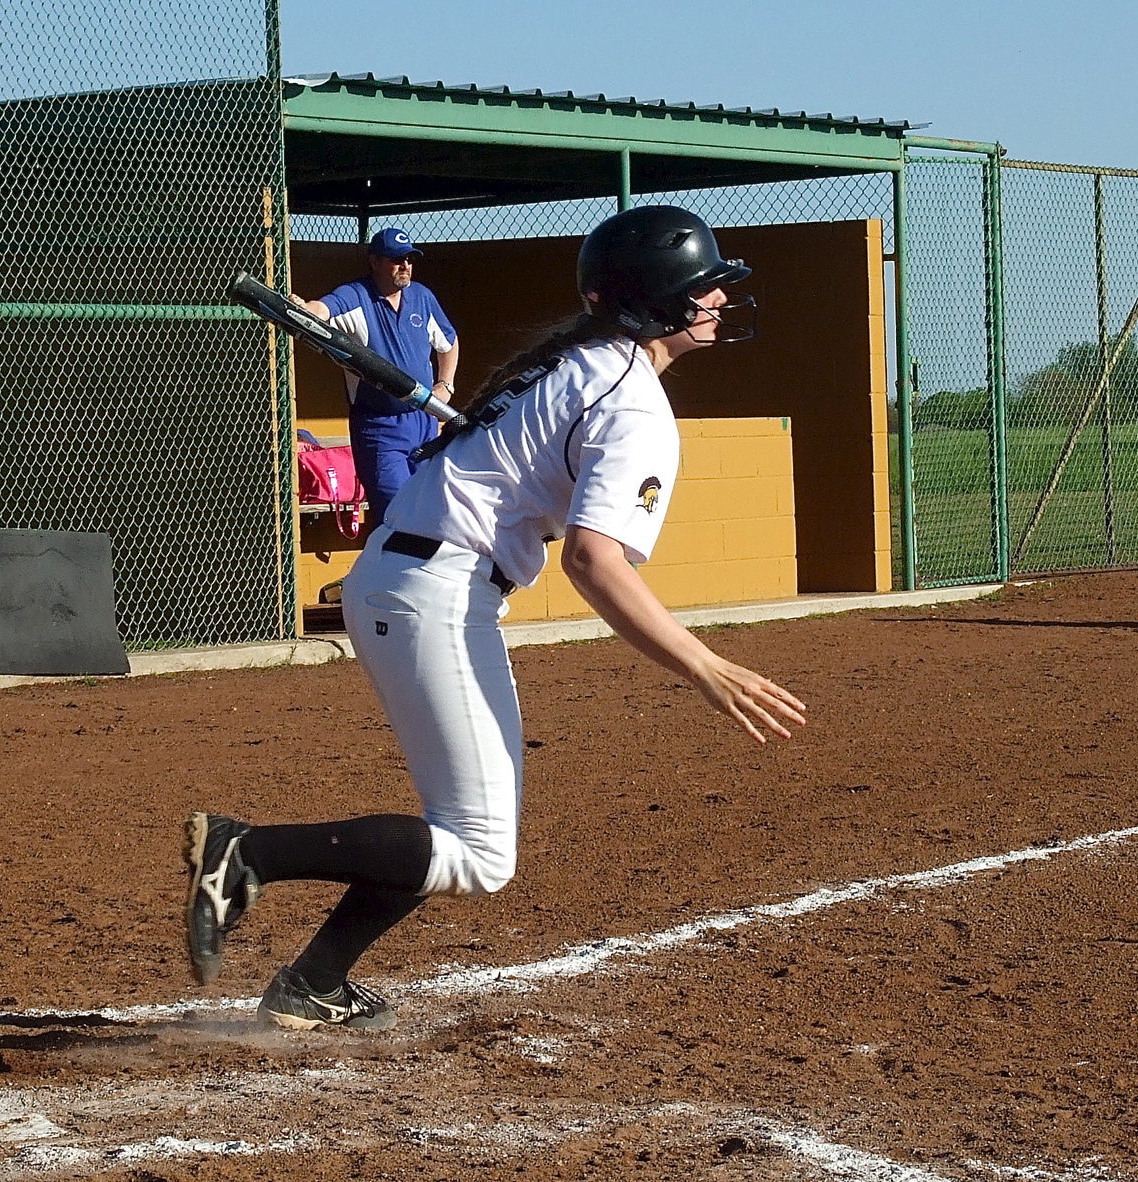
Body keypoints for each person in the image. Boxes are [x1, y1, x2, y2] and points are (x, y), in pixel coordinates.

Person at [183, 206, 807, 1032]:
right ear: (659, 305)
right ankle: (247, 852)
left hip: (414, 579)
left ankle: (313, 983)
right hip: (432, 590)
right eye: (704, 288)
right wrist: (704, 665)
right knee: (479, 853)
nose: (720, 301)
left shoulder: (577, 366)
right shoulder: (632, 405)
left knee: (464, 833)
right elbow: (594, 559)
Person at [295, 226, 459, 526]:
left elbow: (449, 343)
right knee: (396, 515)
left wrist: (445, 384)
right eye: (396, 259)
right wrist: (305, 309)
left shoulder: (421, 297)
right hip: (379, 427)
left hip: (424, 420)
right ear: (374, 262)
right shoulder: (356, 295)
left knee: (429, 510)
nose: (405, 266)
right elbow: (323, 308)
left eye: (409, 258)